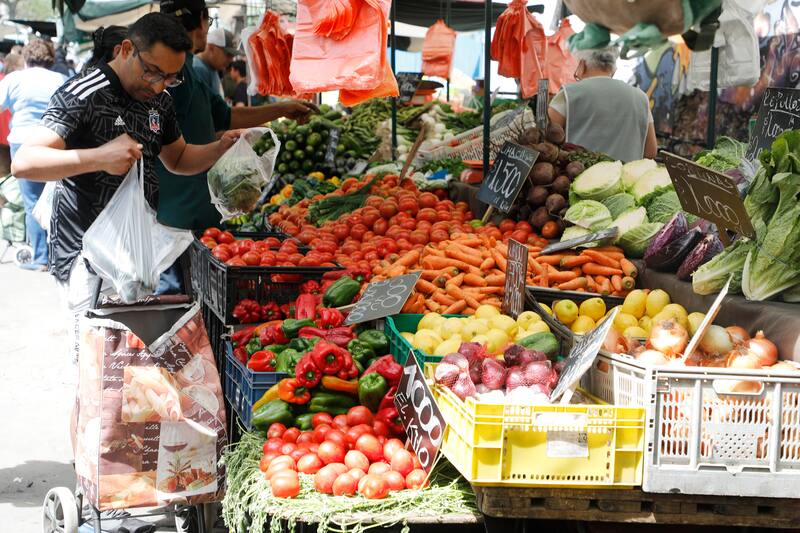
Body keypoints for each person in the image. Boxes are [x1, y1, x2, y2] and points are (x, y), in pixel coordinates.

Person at [11, 12, 243, 358]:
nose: (158, 84)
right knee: (93, 360)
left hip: (132, 250)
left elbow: (178, 158)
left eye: (170, 77)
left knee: (125, 361)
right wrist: (99, 157)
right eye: (151, 71)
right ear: (125, 50)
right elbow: (25, 162)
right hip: (84, 252)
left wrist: (220, 148)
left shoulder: (159, 101)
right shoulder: (84, 93)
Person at [155, 0, 317, 294]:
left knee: (193, 301)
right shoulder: (179, 74)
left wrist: (282, 109)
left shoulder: (187, 72)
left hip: (196, 208)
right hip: (182, 214)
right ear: (202, 21)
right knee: (179, 301)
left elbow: (226, 116)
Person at [0, 39, 67, 270]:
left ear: (26, 58)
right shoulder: (60, 79)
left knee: (32, 202)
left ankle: (40, 258)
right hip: (54, 142)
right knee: (58, 200)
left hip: (22, 144)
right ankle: (62, 257)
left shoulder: (15, 79)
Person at [548, 47, 657, 162]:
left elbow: (545, 140)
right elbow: (651, 152)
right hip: (627, 178)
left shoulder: (569, 93)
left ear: (582, 64)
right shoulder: (641, 97)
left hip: (579, 177)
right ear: (613, 69)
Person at [194, 27, 237, 97]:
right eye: (228, 54)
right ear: (211, 48)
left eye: (233, 55)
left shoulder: (211, 67)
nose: (231, 59)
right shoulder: (199, 69)